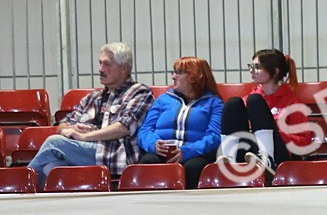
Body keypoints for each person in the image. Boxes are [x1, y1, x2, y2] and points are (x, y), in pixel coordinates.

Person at [29, 41, 153, 188]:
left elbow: (124, 127)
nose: (100, 69)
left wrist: (85, 136)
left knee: (54, 143)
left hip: (114, 155)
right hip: (85, 150)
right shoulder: (92, 97)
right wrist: (70, 130)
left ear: (124, 67)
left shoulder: (140, 93)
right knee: (50, 166)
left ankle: (18, 184)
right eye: (100, 63)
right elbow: (62, 123)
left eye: (107, 64)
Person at [218, 49, 313, 172]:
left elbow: (304, 141)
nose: (251, 70)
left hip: (279, 154)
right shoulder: (247, 100)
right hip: (249, 151)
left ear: (275, 71)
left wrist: (276, 133)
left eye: (257, 67)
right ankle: (229, 159)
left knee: (255, 101)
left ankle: (267, 159)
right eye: (251, 66)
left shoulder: (293, 103)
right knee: (233, 103)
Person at [136, 56, 224, 188]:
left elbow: (215, 136)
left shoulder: (214, 103)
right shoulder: (163, 100)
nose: (173, 76)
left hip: (195, 154)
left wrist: (188, 151)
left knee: (194, 167)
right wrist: (154, 144)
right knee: (149, 162)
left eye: (178, 72)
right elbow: (145, 131)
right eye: (174, 72)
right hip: (162, 152)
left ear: (195, 76)